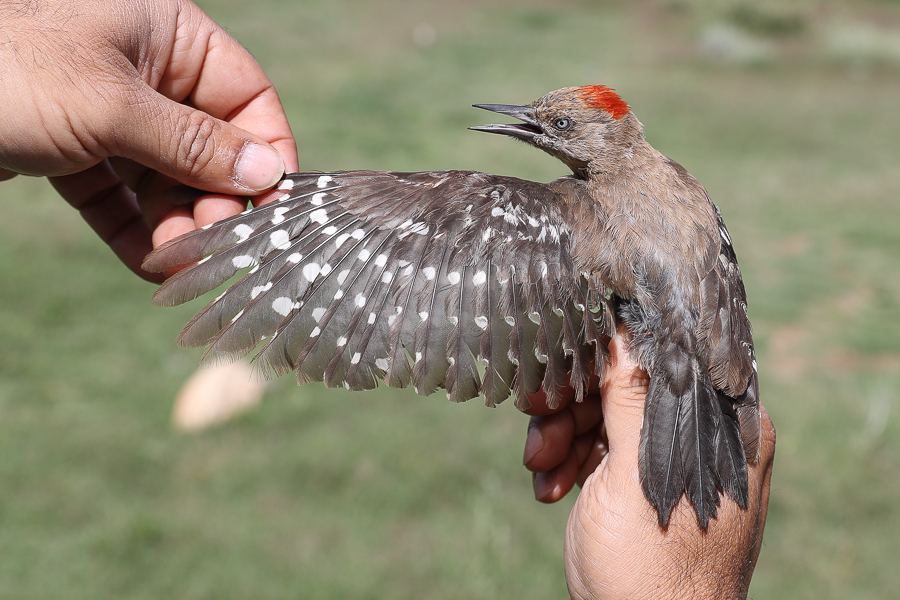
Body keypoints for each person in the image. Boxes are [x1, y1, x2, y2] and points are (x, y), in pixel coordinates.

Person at [0, 1, 775, 598]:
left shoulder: (565, 214)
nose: (535, 131)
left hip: (674, 376)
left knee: (446, 201)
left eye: (558, 126)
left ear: (608, 136)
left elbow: (436, 227)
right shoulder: (682, 188)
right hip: (698, 365)